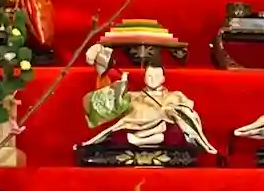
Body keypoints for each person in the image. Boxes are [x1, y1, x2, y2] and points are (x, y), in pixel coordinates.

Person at [78, 52, 216, 157]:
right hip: (136, 130)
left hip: (162, 131)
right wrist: (121, 86)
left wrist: (172, 111)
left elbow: (188, 113)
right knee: (117, 137)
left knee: (175, 135)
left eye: (157, 76)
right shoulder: (134, 96)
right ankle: (141, 139)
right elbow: (112, 106)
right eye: (149, 76)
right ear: (144, 78)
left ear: (163, 78)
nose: (152, 79)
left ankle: (141, 140)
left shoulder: (175, 96)